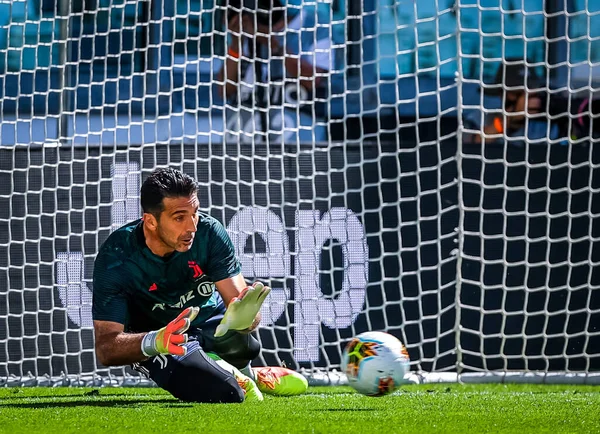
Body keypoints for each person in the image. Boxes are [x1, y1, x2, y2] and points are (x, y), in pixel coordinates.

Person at [92, 167, 308, 403]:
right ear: (151, 221)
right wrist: (156, 341)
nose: (192, 227)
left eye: (194, 213)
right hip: (165, 337)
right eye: (179, 217)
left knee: (243, 345)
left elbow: (238, 302)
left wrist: (246, 319)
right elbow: (106, 348)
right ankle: (234, 375)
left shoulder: (209, 233)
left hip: (207, 323)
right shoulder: (117, 257)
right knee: (229, 394)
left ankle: (245, 372)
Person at [216, 0, 333, 144]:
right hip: (240, 143)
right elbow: (225, 90)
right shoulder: (248, 28)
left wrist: (272, 43)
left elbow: (312, 80)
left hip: (296, 147)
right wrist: (236, 43)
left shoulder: (313, 26)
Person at [463, 60, 564, 146]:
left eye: (532, 94)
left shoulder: (544, 127)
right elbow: (470, 147)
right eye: (516, 93)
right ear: (501, 94)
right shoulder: (479, 118)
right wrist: (506, 121)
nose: (529, 100)